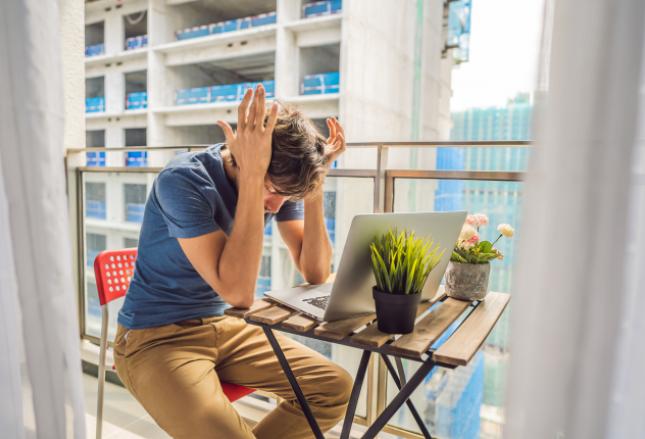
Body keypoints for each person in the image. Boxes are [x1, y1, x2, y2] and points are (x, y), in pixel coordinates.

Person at [113, 83, 353, 438]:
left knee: (333, 387)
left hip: (224, 326)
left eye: (286, 197)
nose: (275, 206)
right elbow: (239, 293)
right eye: (272, 192)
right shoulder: (184, 180)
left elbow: (315, 270)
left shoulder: (282, 182)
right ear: (245, 159)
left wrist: (312, 186)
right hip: (154, 337)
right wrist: (256, 182)